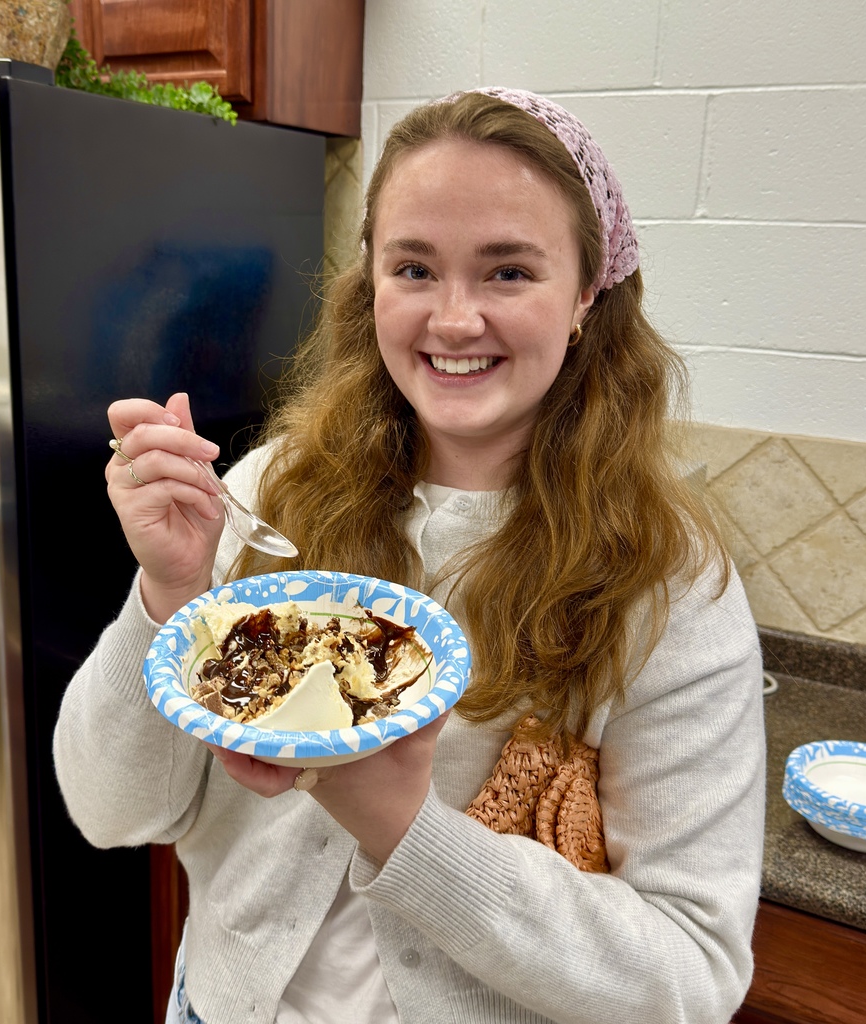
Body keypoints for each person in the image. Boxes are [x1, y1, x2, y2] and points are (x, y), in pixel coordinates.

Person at [54, 88, 765, 1024]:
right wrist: (170, 592)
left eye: (509, 271)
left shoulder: (668, 588)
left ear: (587, 294)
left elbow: (692, 975)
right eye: (415, 268)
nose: (454, 319)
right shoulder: (268, 493)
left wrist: (401, 827)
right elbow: (108, 810)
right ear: (372, 281)